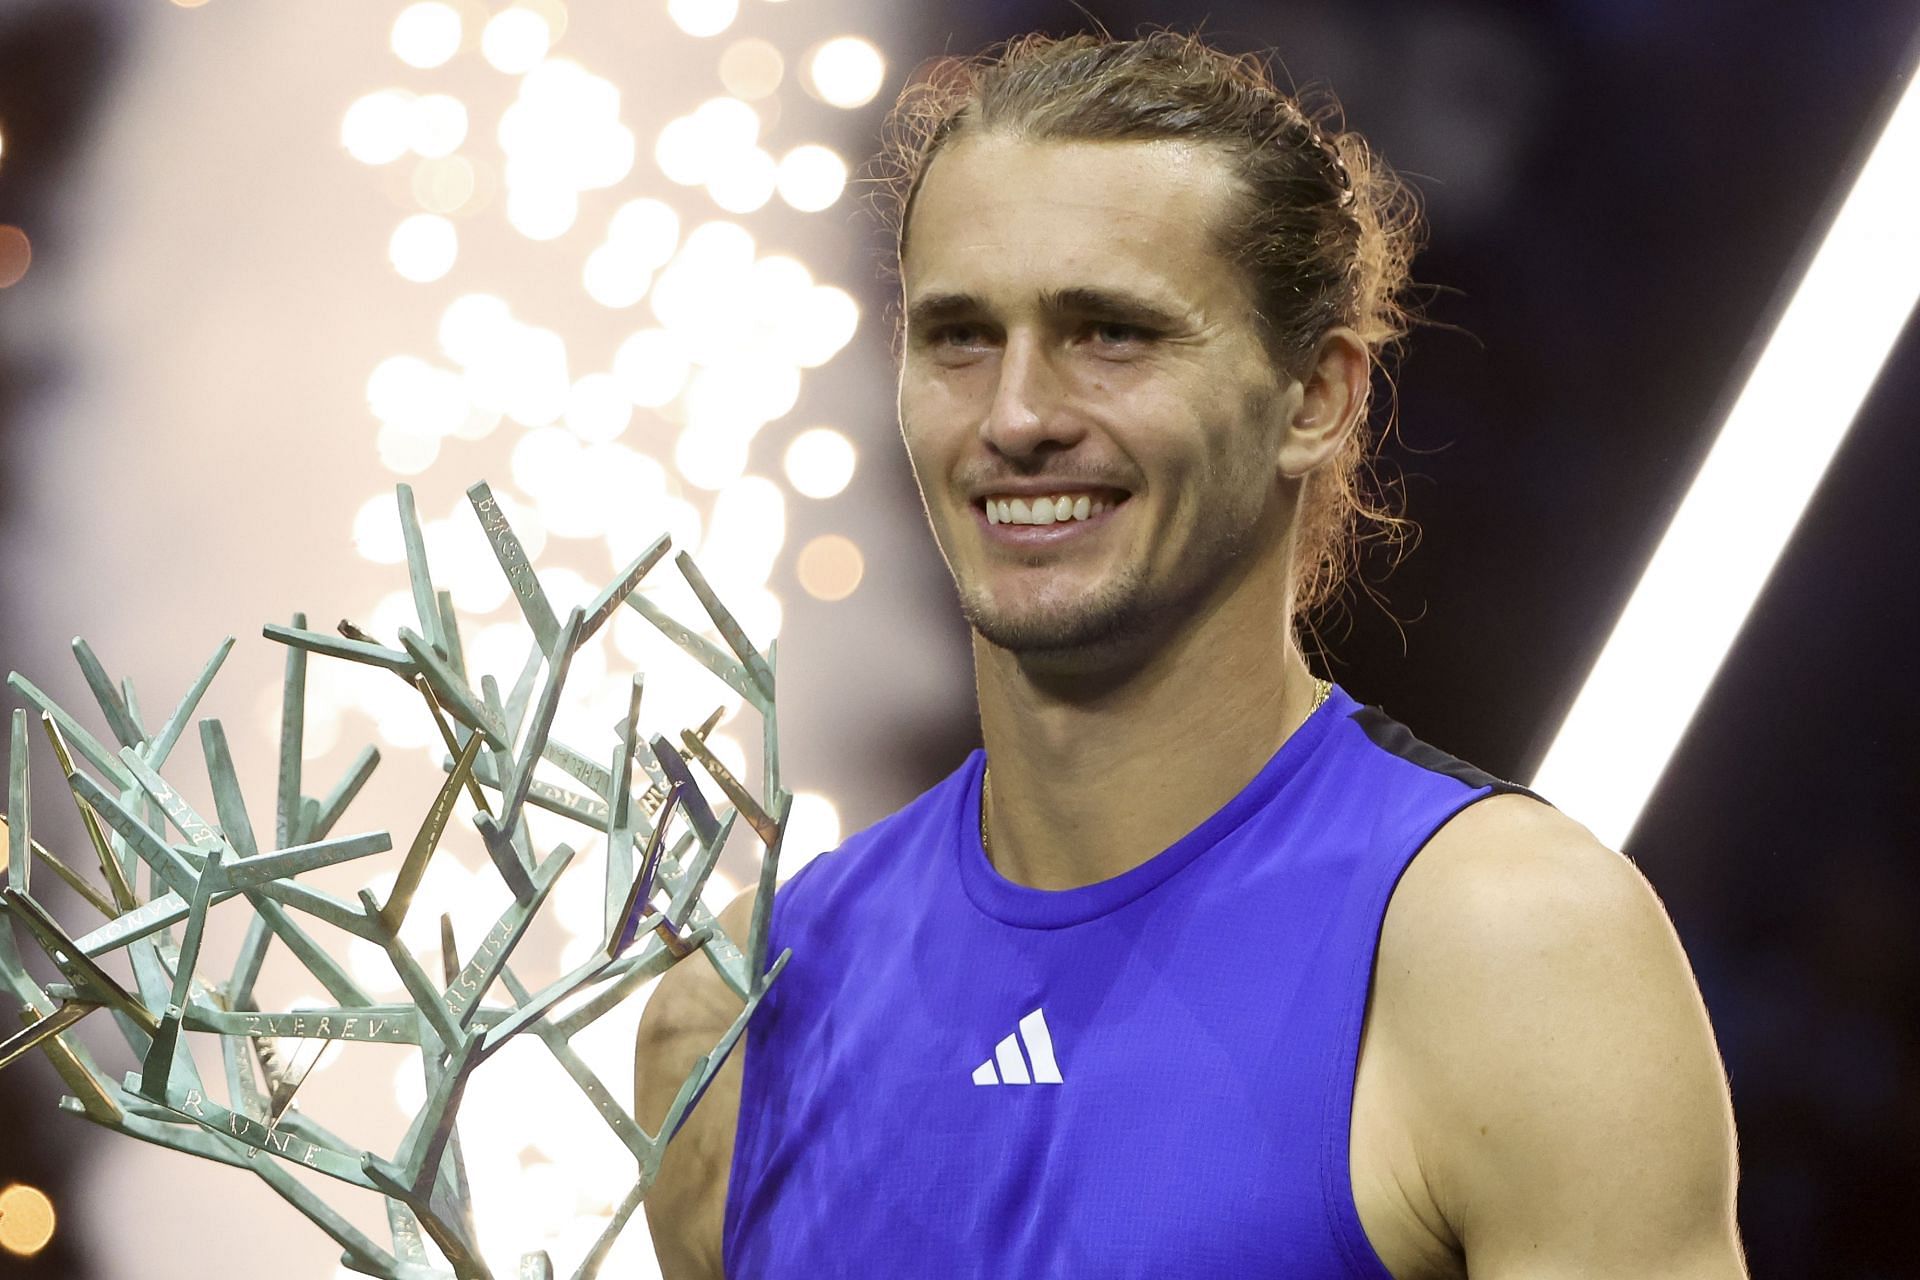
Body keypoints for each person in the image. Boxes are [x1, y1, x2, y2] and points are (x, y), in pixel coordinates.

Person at [636, 31, 1745, 1279]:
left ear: (1316, 396)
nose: (1016, 415)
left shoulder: (1513, 951)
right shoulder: (741, 1011)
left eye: (1109, 332)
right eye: (958, 335)